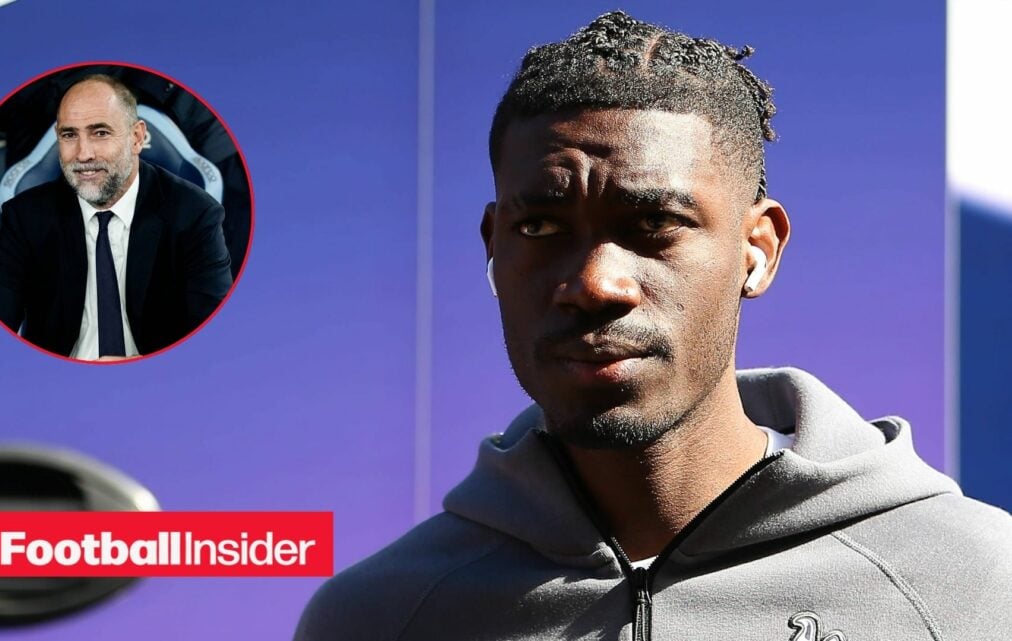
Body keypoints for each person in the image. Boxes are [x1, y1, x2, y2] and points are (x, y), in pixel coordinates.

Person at [294, 11, 1012, 640]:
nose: (593, 284)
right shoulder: (379, 617)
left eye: (654, 224)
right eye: (541, 225)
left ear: (756, 251)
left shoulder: (975, 586)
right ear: (492, 246)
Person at [0, 75, 233, 360]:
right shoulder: (26, 217)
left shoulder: (195, 215)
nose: (83, 154)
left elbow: (214, 345)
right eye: (69, 135)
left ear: (136, 137)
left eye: (100, 133)